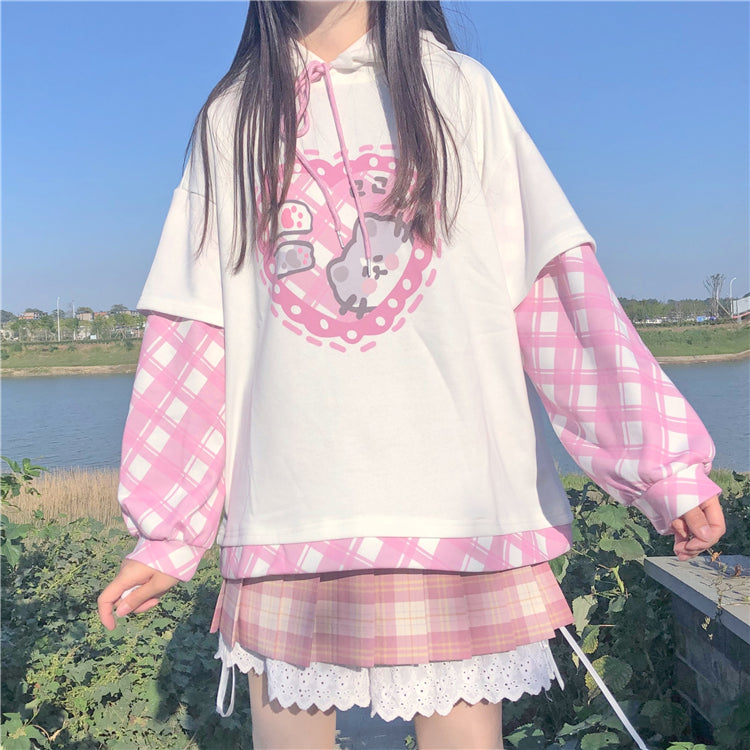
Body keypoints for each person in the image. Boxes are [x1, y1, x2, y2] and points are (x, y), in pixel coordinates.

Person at [98, 2, 726, 748]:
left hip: (456, 512)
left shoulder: (457, 91)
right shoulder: (235, 119)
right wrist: (166, 531)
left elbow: (553, 292)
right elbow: (194, 330)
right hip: (289, 514)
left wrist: (660, 465)